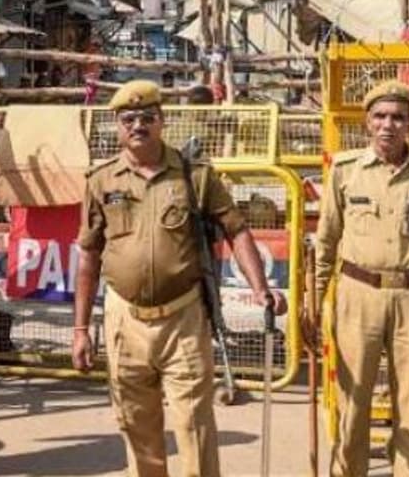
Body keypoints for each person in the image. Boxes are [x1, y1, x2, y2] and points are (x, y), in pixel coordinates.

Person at [72, 79, 273, 477]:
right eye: (129, 119)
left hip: (183, 319)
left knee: (194, 425)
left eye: (147, 117)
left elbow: (236, 230)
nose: (138, 126)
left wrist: (260, 289)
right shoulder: (101, 181)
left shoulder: (194, 176)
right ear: (118, 126)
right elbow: (89, 255)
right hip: (124, 321)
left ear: (162, 121)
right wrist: (80, 329)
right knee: (136, 424)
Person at [307, 80, 409, 477]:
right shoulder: (345, 172)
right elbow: (326, 242)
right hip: (359, 295)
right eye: (380, 117)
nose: (388, 125)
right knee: (353, 400)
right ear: (367, 122)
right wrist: (313, 305)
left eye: (397, 118)